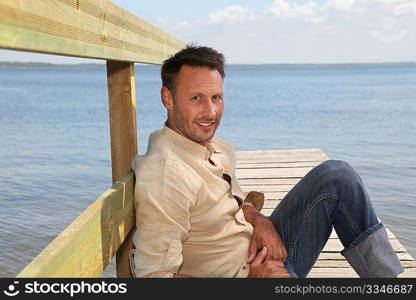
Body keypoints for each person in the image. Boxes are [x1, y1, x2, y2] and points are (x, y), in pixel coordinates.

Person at [129, 45, 404, 278]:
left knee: (337, 175)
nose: (210, 112)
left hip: (262, 252)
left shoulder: (209, 146)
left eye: (216, 97)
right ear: (168, 98)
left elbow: (234, 203)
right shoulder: (167, 175)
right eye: (196, 99)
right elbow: (153, 278)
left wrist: (261, 221)